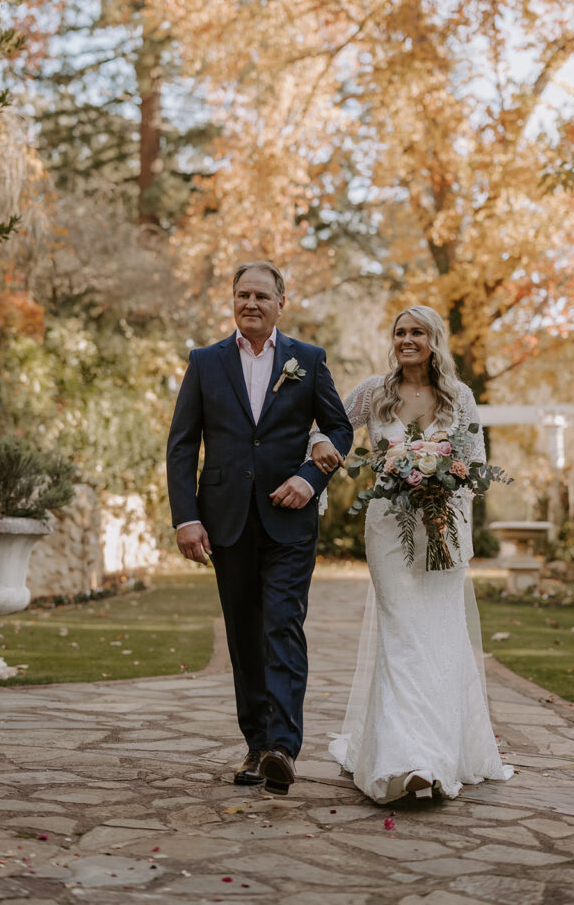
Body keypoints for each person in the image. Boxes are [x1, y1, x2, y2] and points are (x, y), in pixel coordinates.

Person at [311, 305, 513, 803]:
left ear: (433, 339)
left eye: (416, 331)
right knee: (402, 637)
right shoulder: (374, 393)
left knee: (438, 638)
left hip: (442, 529)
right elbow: (327, 423)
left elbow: (478, 466)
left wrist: (440, 481)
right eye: (399, 331)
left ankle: (439, 752)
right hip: (388, 532)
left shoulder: (459, 397)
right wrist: (318, 447)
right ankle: (406, 760)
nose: (406, 339)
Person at [166, 261, 352, 795]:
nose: (251, 303)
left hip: (289, 520)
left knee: (282, 627)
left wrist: (309, 478)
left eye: (261, 296)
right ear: (233, 300)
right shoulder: (205, 362)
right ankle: (256, 744)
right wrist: (187, 517)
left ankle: (282, 749)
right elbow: (183, 445)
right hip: (224, 520)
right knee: (244, 636)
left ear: (281, 303)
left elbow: (339, 428)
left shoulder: (307, 360)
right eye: (242, 294)